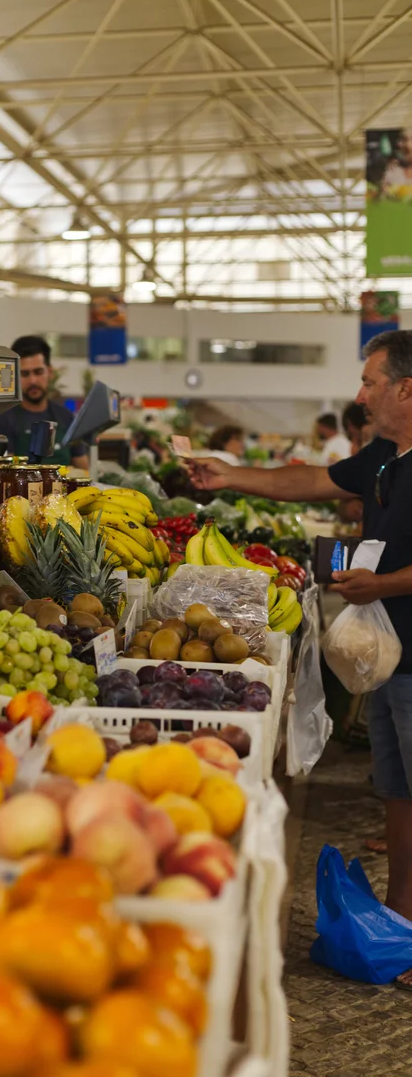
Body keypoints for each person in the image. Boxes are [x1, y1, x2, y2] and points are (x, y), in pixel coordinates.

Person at [188, 330, 412, 984]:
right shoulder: (384, 456)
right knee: (398, 794)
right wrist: (230, 475)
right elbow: (312, 479)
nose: (360, 394)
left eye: (370, 382)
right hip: (391, 656)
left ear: (406, 388)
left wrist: (385, 584)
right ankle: (402, 924)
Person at [0, 336, 89, 469]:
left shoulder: (66, 417)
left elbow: (83, 468)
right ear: (15, 376)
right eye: (25, 374)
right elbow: (2, 473)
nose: (33, 380)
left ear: (49, 372)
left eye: (38, 372)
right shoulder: (1, 422)